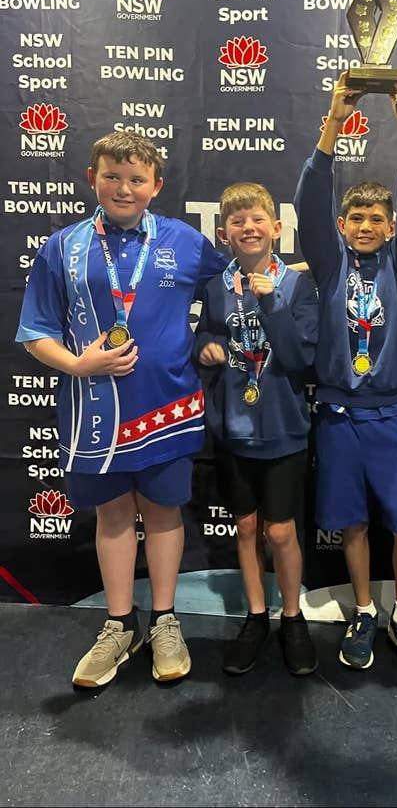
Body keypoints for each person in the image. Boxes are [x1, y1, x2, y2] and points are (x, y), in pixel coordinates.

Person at [16, 130, 227, 688]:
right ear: (93, 179)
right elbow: (35, 331)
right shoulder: (62, 247)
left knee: (163, 513)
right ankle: (118, 625)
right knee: (112, 517)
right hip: (95, 412)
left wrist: (214, 334)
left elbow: (233, 291)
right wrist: (78, 364)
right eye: (112, 176)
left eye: (136, 179)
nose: (124, 188)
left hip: (169, 407)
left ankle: (165, 621)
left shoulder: (185, 241)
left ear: (156, 185)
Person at [294, 70, 397, 682]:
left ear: (392, 227)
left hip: (395, 414)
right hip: (338, 416)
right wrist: (333, 121)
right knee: (351, 521)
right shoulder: (329, 266)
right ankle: (363, 610)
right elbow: (309, 199)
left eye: (377, 218)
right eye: (355, 217)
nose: (365, 226)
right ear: (342, 225)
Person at [195, 182, 319, 677]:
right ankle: (255, 616)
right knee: (246, 526)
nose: (248, 228)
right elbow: (208, 330)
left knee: (281, 530)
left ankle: (292, 618)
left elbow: (299, 358)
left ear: (277, 228)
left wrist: (272, 306)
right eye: (237, 222)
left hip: (284, 428)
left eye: (257, 219)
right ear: (224, 234)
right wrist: (204, 346)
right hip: (234, 428)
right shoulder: (216, 287)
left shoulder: (297, 286)